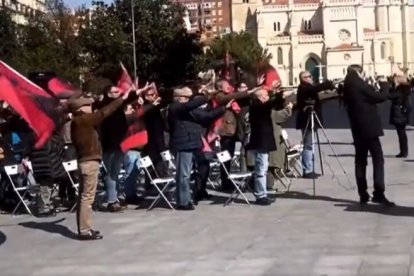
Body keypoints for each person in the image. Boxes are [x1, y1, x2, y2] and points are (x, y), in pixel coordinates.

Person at [70, 88, 131, 241]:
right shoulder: (83, 120)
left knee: (84, 196)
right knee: (87, 197)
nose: (91, 108)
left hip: (86, 161)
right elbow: (104, 112)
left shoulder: (77, 121)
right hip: (89, 161)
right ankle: (84, 230)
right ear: (80, 109)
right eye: (87, 106)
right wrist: (121, 99)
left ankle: (84, 228)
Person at [343, 64, 395, 206]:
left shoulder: (347, 85)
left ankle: (363, 193)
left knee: (360, 161)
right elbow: (380, 97)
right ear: (359, 72)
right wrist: (384, 83)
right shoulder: (359, 84)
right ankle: (379, 192)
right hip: (369, 128)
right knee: (378, 159)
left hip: (357, 128)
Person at [167, 87, 209, 210]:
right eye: (187, 98)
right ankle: (183, 202)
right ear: (179, 98)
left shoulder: (186, 110)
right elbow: (191, 105)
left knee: (185, 174)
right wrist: (207, 96)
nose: (189, 101)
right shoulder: (175, 107)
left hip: (189, 143)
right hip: (182, 144)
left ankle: (184, 199)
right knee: (183, 175)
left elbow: (206, 116)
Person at [246, 88, 284, 205]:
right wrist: (276, 96)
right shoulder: (257, 106)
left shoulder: (260, 106)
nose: (267, 97)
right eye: (266, 95)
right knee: (261, 169)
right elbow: (269, 105)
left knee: (263, 167)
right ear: (260, 97)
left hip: (263, 141)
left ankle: (263, 194)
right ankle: (261, 195)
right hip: (261, 141)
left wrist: (279, 97)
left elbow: (273, 105)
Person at [296, 71, 335, 179]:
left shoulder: (308, 87)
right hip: (307, 120)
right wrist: (327, 84)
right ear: (303, 78)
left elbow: (317, 93)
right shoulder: (304, 87)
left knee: (310, 144)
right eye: (309, 76)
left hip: (312, 119)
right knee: (308, 145)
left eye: (311, 76)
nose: (311, 78)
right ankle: (307, 169)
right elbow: (315, 89)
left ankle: (311, 167)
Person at [389, 75, 411, 158]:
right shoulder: (404, 90)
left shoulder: (400, 91)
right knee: (402, 133)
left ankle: (403, 151)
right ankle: (403, 151)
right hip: (402, 114)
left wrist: (392, 87)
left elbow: (390, 96)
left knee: (401, 133)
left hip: (399, 114)